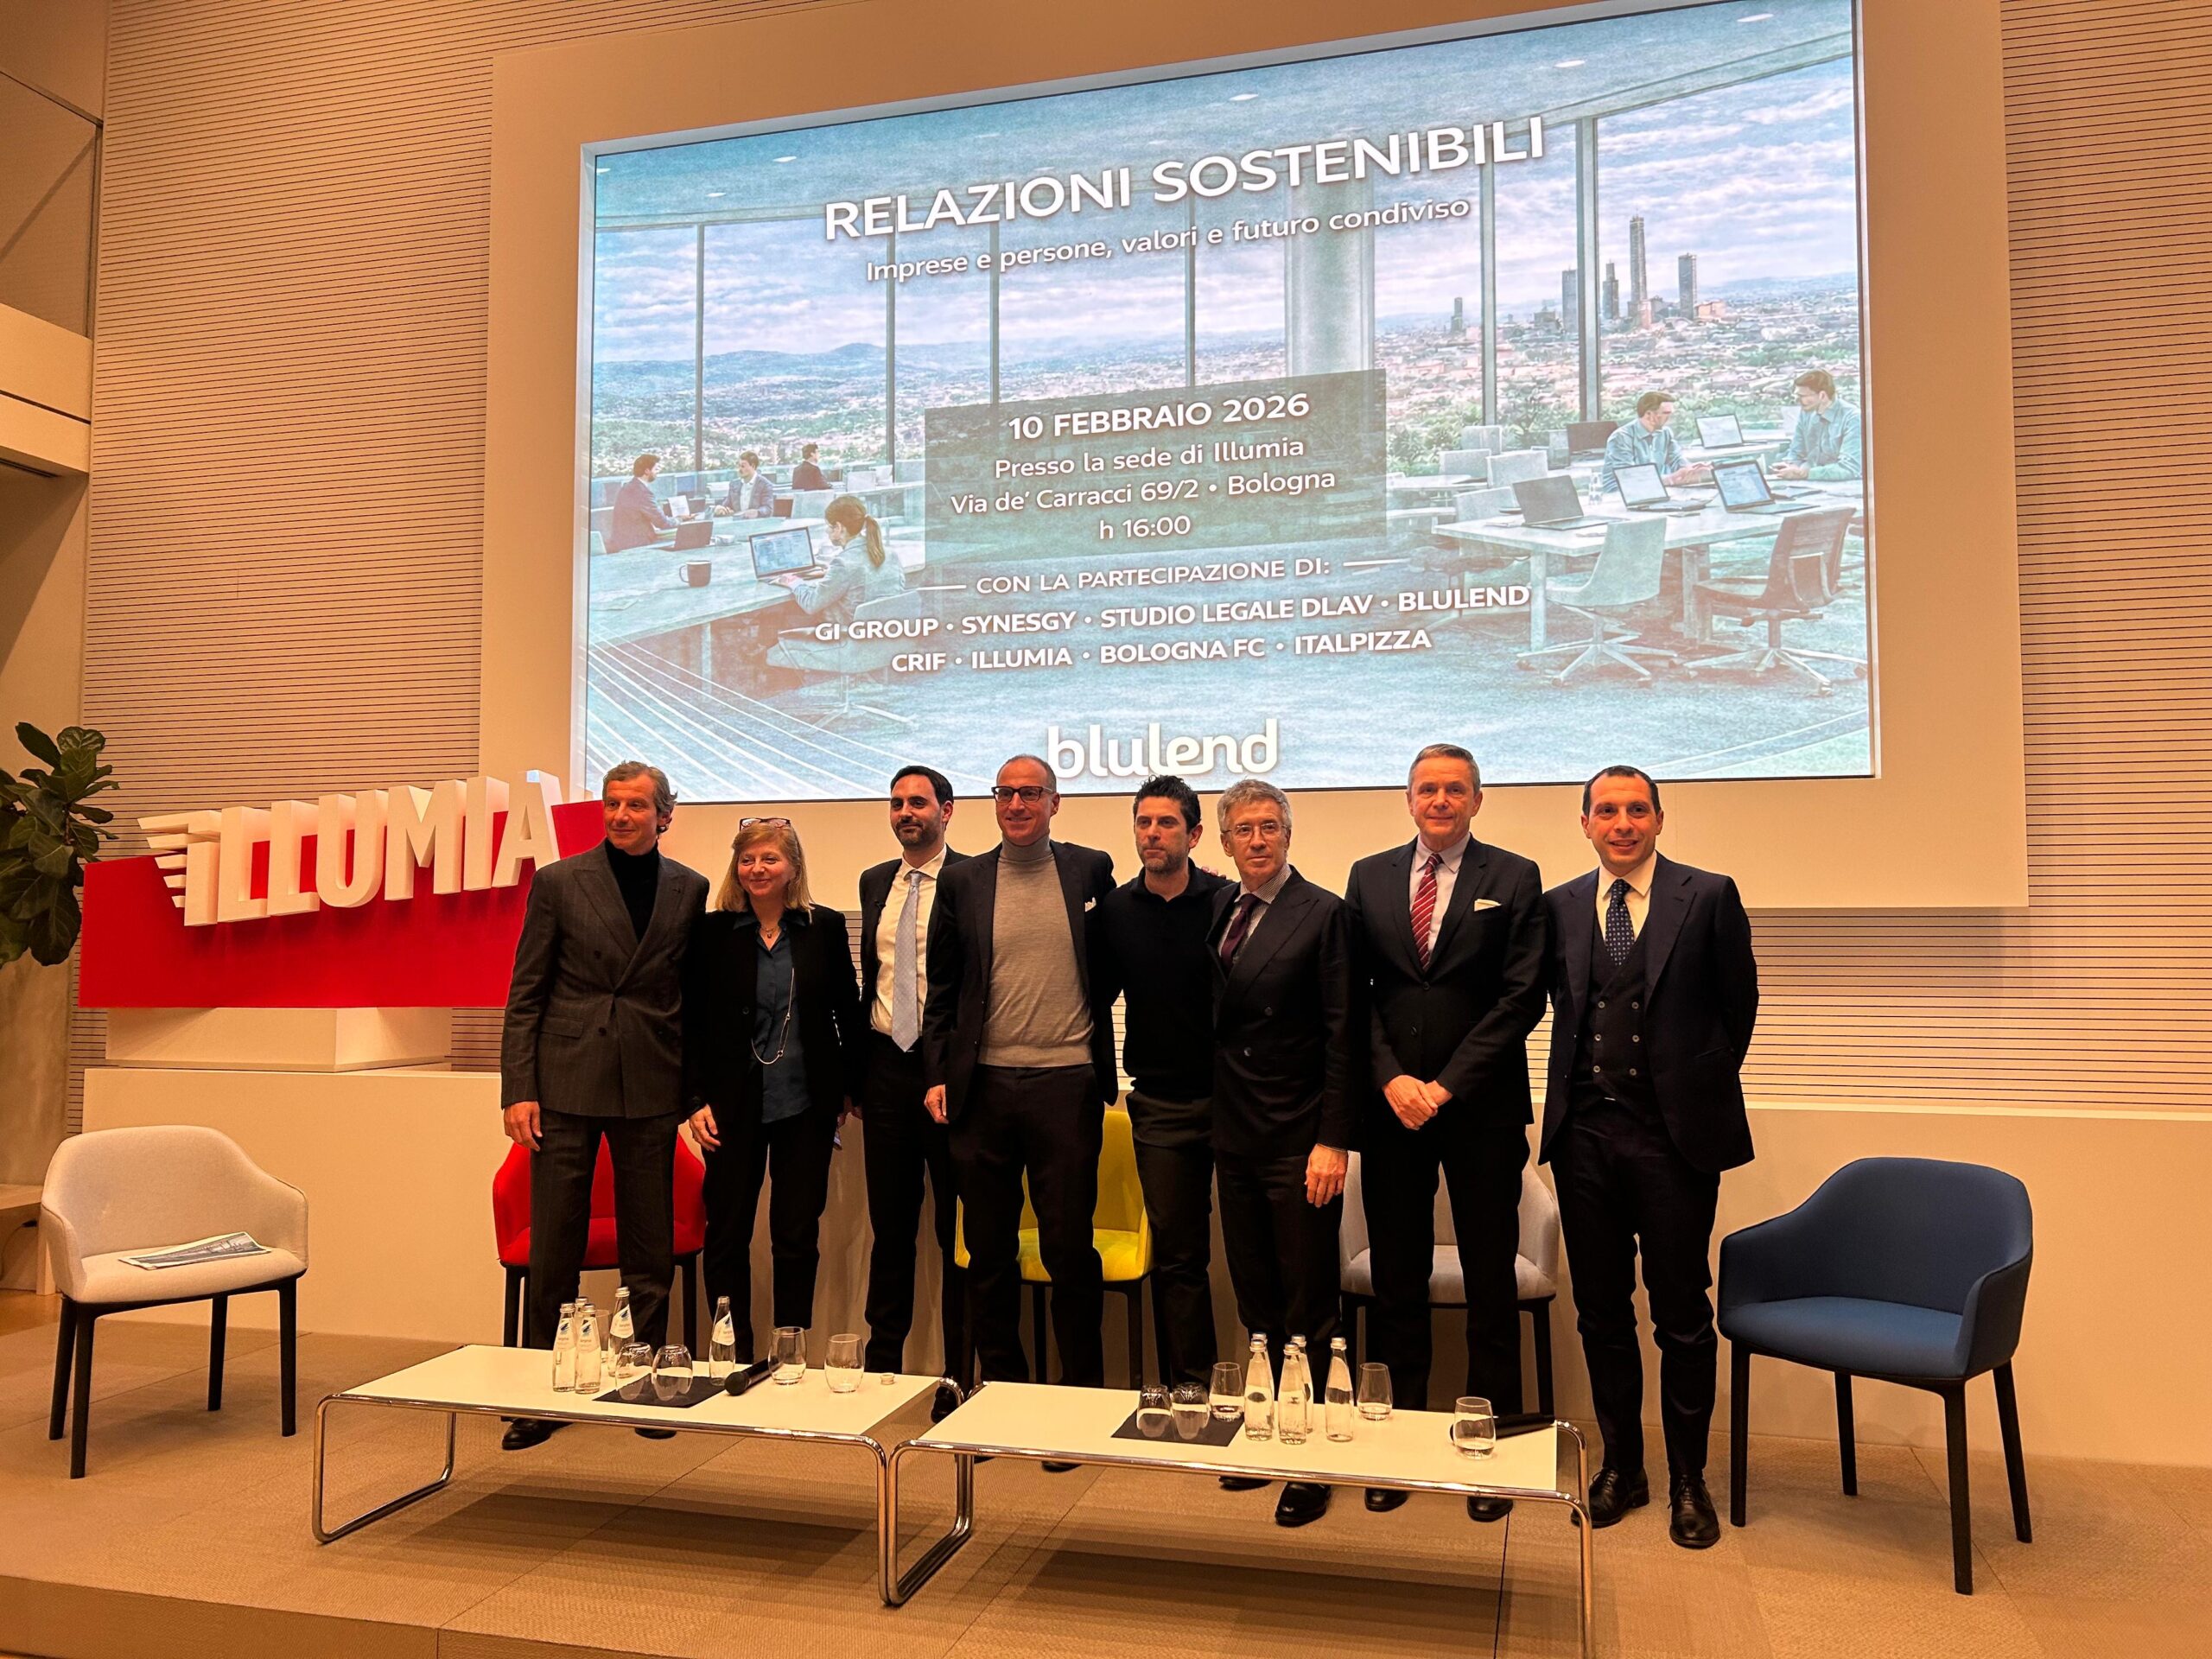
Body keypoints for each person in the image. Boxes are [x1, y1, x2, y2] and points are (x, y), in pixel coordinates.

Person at [1540, 766, 1758, 1549]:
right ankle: (1623, 1468)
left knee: (1681, 1315)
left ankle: (1688, 1480)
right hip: (1585, 1140)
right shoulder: (1561, 905)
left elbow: (1739, 1008)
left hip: (1673, 1142)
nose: (1622, 823)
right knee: (1601, 1312)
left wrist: (1686, 1091)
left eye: (1637, 809)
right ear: (1586, 824)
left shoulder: (1709, 896)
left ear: (1660, 819)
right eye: (1607, 811)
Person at [1343, 742, 1546, 1523]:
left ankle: (1487, 1447)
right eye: (1427, 788)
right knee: (1399, 1278)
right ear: (1409, 799)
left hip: (1481, 1107)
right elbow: (1352, 994)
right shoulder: (1369, 876)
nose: (1440, 800)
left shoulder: (1515, 877)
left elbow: (1522, 997)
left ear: (1477, 800)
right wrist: (1392, 1078)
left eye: (1454, 789)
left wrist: (1446, 1084)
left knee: (1491, 1279)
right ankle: (1399, 1441)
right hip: (1392, 1107)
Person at [499, 761, 708, 1449]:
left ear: (664, 816)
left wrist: (695, 1093)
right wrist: (518, 1089)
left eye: (636, 806)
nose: (620, 815)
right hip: (565, 1080)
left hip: (651, 1080)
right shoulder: (560, 881)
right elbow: (526, 991)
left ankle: (644, 1382)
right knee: (554, 1244)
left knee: (650, 1245)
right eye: (612, 804)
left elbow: (687, 997)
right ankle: (542, 1392)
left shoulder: (689, 888)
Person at [924, 754, 1117, 1395]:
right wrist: (937, 1073)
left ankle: (1080, 1393)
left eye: (1031, 793)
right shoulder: (963, 882)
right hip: (982, 1090)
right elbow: (942, 989)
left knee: (1069, 1249)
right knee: (989, 1251)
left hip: (1068, 1085)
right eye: (1005, 793)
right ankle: (1002, 1389)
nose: (1016, 804)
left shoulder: (1091, 869)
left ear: (1054, 802)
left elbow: (1117, 953)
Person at [1206, 778, 1355, 1529]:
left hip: (1299, 1138)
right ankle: (1265, 1430)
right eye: (1244, 829)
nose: (1258, 840)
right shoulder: (1220, 909)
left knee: (1308, 1304)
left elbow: (1343, 1033)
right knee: (1255, 1300)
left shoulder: (1324, 913)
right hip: (1234, 1132)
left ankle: (1313, 1458)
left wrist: (1333, 1139)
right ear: (1224, 841)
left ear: (1288, 836)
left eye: (1270, 827)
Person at [683, 817, 862, 1364]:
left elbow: (847, 1011)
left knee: (796, 1233)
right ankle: (730, 1353)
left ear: (793, 867)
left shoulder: (823, 927)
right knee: (727, 1233)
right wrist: (693, 1100)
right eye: (748, 860)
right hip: (728, 1108)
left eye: (770, 859)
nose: (757, 869)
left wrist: (848, 1089)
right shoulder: (712, 932)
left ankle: (789, 1352)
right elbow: (690, 1021)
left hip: (806, 1104)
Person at [1090, 775, 1231, 1389]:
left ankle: (1275, 1389)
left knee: (1259, 1256)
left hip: (1239, 1101)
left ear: (1194, 835)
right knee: (1179, 1259)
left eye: (1166, 823)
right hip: (1161, 1106)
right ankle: (1191, 1386)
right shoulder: (1115, 912)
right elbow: (1092, 1001)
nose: (1152, 833)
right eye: (1144, 822)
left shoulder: (1228, 903)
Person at [856, 766, 969, 1378]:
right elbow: (871, 978)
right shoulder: (876, 880)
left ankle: (958, 1374)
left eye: (919, 802)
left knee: (957, 1233)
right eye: (898, 803)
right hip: (885, 1069)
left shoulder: (973, 879)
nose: (906, 812)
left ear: (946, 811)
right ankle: (883, 1368)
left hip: (949, 1073)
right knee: (891, 1227)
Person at [775, 493, 906, 625]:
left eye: (828, 526)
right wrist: (831, 573)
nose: (827, 531)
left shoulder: (843, 564)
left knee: (785, 619)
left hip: (847, 634)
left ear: (838, 527)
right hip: (885, 633)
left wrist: (794, 582)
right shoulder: (890, 555)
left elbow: (811, 604)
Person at [1596, 391, 1710, 495]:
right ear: (1649, 415)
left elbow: (1677, 460)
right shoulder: (1621, 437)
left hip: (1655, 489)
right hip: (1619, 495)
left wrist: (1691, 469)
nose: (1672, 417)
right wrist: (1670, 479)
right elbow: (1628, 478)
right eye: (1666, 413)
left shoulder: (1665, 433)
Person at [1770, 369, 1863, 481]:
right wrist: (1791, 466)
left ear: (1822, 396)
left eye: (1802, 396)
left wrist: (1804, 474)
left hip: (1846, 485)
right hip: (1811, 483)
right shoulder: (1806, 412)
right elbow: (1796, 452)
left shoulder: (1853, 418)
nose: (1797, 400)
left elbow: (1850, 469)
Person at [607, 454, 675, 553]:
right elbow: (662, 523)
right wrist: (681, 520)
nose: (657, 472)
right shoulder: (642, 492)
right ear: (647, 471)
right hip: (637, 545)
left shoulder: (628, 487)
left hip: (622, 543)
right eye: (656, 469)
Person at [727, 450, 773, 518]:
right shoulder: (734, 485)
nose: (739, 469)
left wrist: (757, 512)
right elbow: (727, 505)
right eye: (739, 466)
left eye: (743, 466)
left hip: (756, 523)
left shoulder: (765, 485)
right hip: (737, 522)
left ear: (753, 466)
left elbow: (768, 508)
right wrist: (721, 508)